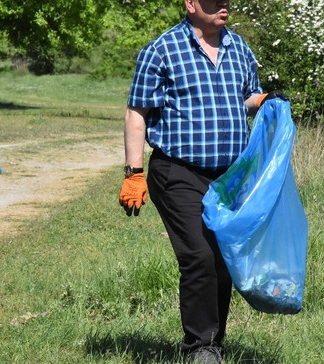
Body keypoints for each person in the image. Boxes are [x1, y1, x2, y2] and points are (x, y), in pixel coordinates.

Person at [118, 1, 287, 363]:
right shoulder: (162, 50)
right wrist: (134, 172)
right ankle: (201, 348)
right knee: (199, 255)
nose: (224, 6)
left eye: (226, 0)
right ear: (191, 4)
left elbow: (245, 98)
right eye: (214, 1)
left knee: (222, 257)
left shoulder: (239, 47)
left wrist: (266, 100)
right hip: (177, 171)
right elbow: (137, 112)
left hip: (228, 177)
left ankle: (214, 343)